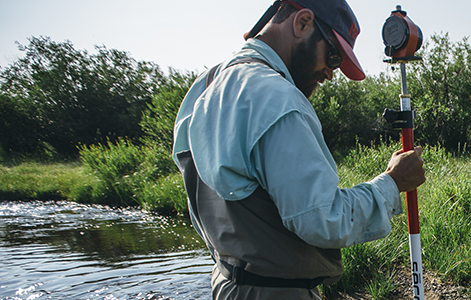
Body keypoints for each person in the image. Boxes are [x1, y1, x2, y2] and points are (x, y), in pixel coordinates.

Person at [170, 0, 426, 298]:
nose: (331, 74)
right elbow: (323, 219)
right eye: (332, 56)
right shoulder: (276, 97)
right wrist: (393, 183)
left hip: (226, 283)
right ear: (302, 22)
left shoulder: (204, 86)